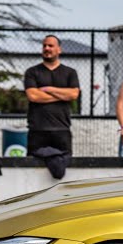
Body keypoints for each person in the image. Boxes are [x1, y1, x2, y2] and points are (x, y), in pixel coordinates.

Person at [24, 35, 81, 171]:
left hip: (61, 130)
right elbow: (33, 96)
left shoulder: (70, 73)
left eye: (50, 46)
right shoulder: (32, 72)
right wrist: (62, 95)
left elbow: (73, 94)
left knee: (63, 170)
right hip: (37, 130)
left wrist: (49, 89)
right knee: (33, 169)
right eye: (44, 46)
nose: (46, 48)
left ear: (59, 50)